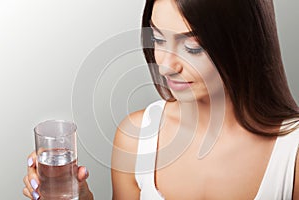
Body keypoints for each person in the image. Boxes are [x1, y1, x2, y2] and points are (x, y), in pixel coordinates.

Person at [23, 0, 299, 199]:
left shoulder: (292, 153)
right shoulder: (137, 136)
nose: (165, 66)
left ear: (243, 42)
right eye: (158, 38)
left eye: (193, 47)